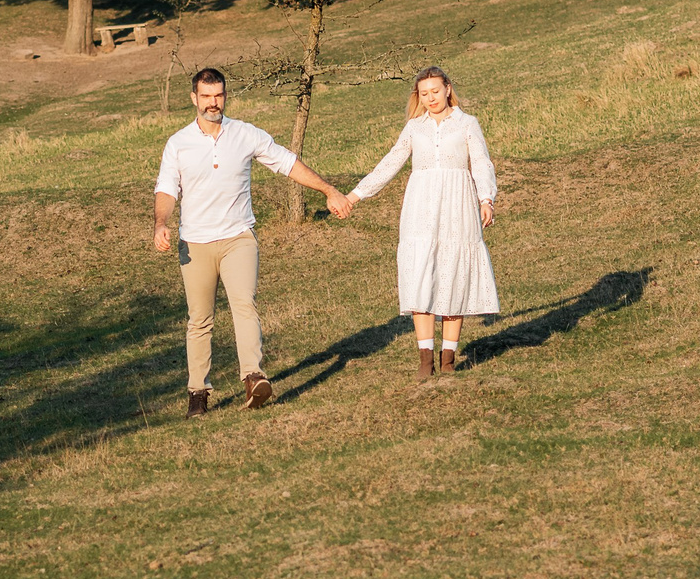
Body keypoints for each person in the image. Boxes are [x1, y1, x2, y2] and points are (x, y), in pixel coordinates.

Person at [153, 67, 352, 415]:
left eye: (219, 96)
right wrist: (161, 223)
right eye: (206, 96)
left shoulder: (244, 134)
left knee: (244, 305)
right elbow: (167, 189)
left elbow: (287, 162)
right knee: (199, 319)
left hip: (238, 237)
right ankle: (198, 392)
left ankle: (253, 378)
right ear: (193, 99)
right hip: (195, 243)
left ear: (225, 96)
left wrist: (328, 189)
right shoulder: (178, 143)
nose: (213, 103)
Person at [345, 65, 499, 380]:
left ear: (447, 89)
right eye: (424, 93)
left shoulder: (467, 123)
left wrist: (486, 199)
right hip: (421, 208)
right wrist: (355, 195)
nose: (430, 98)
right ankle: (425, 361)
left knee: (455, 275)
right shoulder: (415, 127)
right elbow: (391, 162)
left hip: (458, 206)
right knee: (421, 275)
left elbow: (481, 161)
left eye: (435, 91)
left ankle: (448, 360)